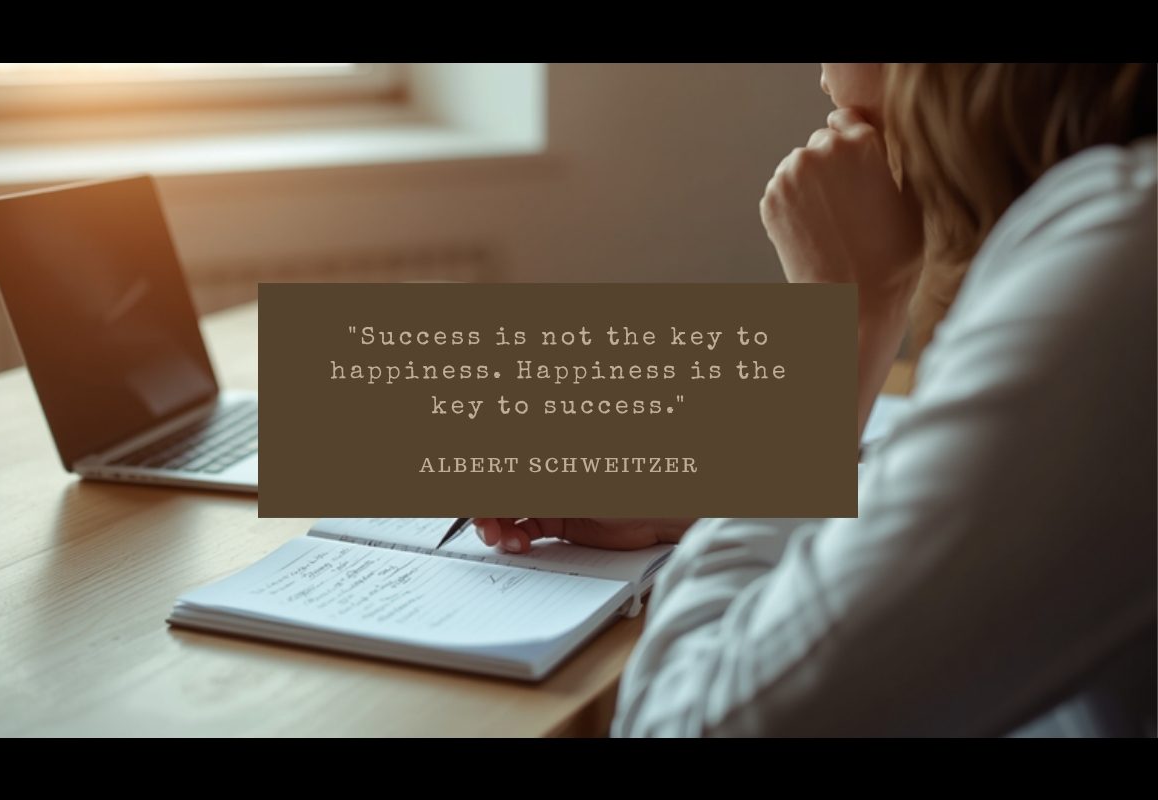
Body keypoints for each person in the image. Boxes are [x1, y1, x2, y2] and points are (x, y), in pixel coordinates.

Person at [474, 63, 1156, 736]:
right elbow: (1010, 498)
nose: (823, 80)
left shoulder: (1125, 262)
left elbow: (678, 721)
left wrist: (845, 323)